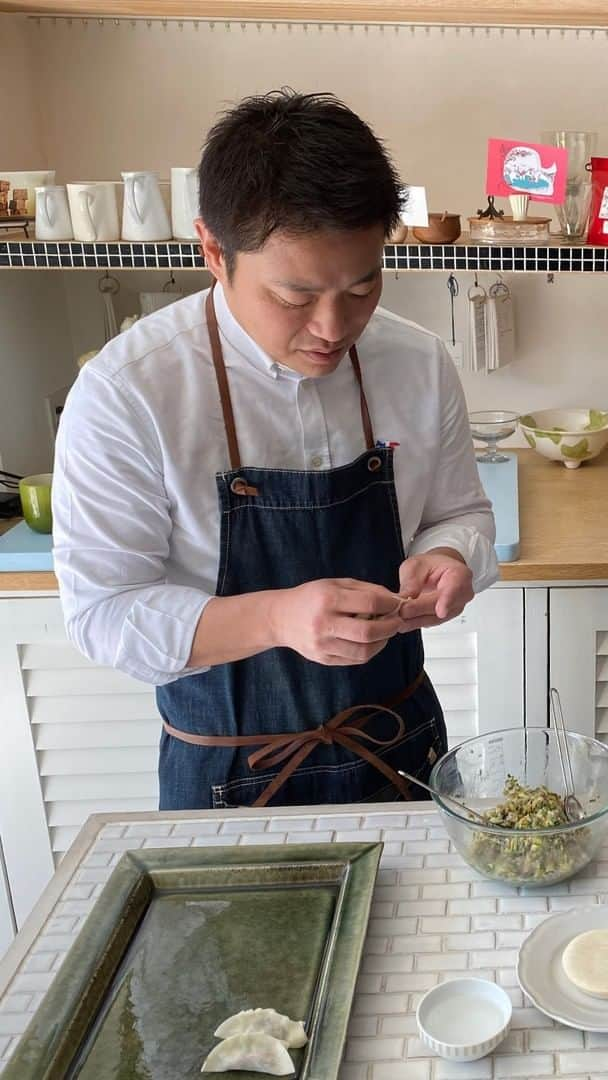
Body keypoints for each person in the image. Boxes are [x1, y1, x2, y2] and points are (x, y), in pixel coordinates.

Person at [53, 90, 497, 811]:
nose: (332, 325)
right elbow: (104, 614)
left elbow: (462, 513)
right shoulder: (129, 391)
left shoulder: (416, 362)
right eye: (294, 297)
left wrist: (450, 557)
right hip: (228, 772)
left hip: (400, 749)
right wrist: (276, 619)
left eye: (362, 287)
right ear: (212, 251)